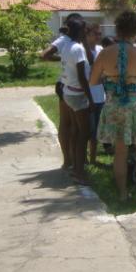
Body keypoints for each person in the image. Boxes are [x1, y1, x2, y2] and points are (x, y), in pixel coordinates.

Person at [90, 10, 136, 205]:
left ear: (118, 28)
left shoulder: (105, 53)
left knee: (120, 152)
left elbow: (93, 80)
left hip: (114, 105)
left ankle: (122, 194)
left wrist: (112, 79)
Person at [40, 12, 83, 170]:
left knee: (71, 124)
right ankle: (68, 160)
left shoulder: (74, 40)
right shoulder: (64, 39)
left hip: (69, 84)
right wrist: (63, 60)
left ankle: (70, 159)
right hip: (66, 84)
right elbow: (44, 55)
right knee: (67, 124)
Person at [61, 18, 94, 184]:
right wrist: (91, 99)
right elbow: (82, 77)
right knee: (84, 133)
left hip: (68, 92)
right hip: (78, 95)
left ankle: (75, 167)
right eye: (85, 30)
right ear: (80, 32)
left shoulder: (67, 46)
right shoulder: (78, 49)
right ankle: (80, 172)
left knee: (76, 131)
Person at [84, 22, 106, 164]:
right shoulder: (82, 50)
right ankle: (83, 157)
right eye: (95, 34)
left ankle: (93, 158)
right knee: (87, 130)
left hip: (100, 95)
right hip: (87, 96)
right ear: (87, 35)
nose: (98, 36)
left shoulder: (100, 49)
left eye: (100, 34)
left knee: (96, 131)